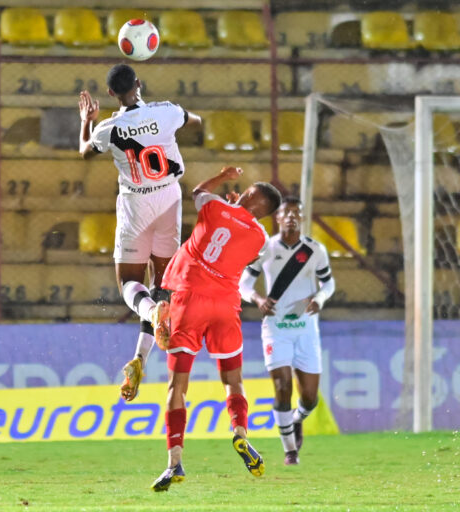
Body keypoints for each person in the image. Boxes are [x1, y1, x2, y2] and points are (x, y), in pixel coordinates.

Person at [150, 166, 282, 492]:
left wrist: (222, 176)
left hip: (189, 299)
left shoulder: (214, 206)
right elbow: (237, 249)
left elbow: (197, 191)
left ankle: (175, 462)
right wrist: (238, 211)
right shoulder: (262, 239)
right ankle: (240, 433)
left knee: (177, 386)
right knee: (233, 380)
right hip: (225, 305)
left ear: (247, 194)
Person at [78, 63, 202, 402]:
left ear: (111, 93)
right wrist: (178, 123)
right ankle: (141, 357)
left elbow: (85, 152)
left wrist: (87, 120)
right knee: (160, 287)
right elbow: (195, 120)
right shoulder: (167, 112)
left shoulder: (109, 128)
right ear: (139, 84)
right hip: (169, 199)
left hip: (136, 204)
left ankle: (148, 320)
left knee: (130, 284)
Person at [239, 197, 335, 465]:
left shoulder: (315, 250)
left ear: (302, 218)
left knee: (310, 398)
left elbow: (328, 284)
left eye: (296, 213)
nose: (291, 216)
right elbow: (243, 284)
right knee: (282, 386)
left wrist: (320, 299)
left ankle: (297, 419)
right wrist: (258, 299)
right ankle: (290, 451)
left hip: (306, 330)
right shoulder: (265, 248)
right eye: (286, 212)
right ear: (278, 218)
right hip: (276, 329)